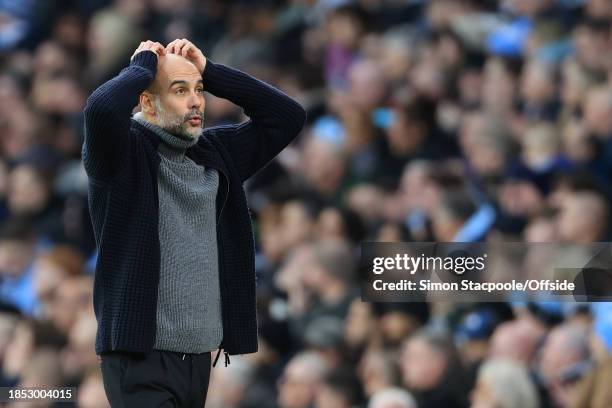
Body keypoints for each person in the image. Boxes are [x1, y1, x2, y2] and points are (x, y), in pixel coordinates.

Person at [82, 39, 306, 407]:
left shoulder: (216, 152)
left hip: (199, 361)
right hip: (140, 360)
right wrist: (142, 67)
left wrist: (211, 71)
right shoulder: (121, 154)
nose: (196, 101)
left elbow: (287, 117)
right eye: (179, 90)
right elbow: (101, 109)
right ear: (147, 102)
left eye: (198, 90)